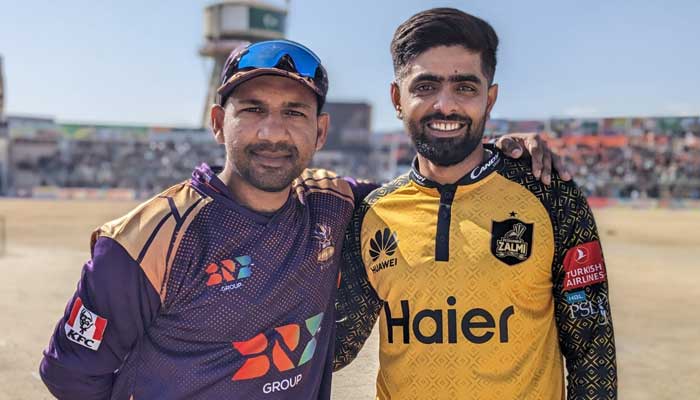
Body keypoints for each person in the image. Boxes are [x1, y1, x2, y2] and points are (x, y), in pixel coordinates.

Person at [39, 39, 566, 400]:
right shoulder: (150, 239)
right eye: (253, 110)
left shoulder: (334, 203)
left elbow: (422, 191)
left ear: (320, 132)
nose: (273, 132)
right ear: (220, 123)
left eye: (294, 112)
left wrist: (493, 150)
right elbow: (71, 375)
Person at [334, 8, 617, 400]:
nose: (445, 106)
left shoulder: (551, 194)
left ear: (490, 99)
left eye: (465, 87)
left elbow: (593, 350)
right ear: (398, 99)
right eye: (426, 86)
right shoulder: (373, 213)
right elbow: (336, 345)